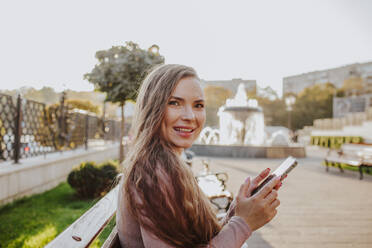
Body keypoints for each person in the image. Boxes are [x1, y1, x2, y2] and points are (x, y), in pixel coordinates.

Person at [117, 64, 282, 247]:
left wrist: (237, 213)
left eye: (198, 105)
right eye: (174, 103)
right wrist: (243, 224)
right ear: (153, 108)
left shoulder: (162, 163)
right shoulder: (154, 172)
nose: (190, 116)